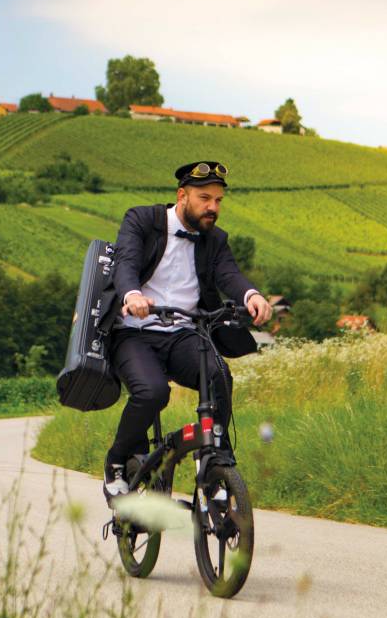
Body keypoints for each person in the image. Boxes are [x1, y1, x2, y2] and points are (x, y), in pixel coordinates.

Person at [102, 160, 272, 500]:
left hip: (183, 334)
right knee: (152, 393)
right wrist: (133, 293)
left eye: (218, 201)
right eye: (205, 198)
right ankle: (117, 460)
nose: (213, 208)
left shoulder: (215, 240)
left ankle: (214, 466)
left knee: (219, 377)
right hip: (134, 331)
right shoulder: (143, 221)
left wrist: (251, 295)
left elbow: (229, 275)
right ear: (182, 196)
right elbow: (126, 263)